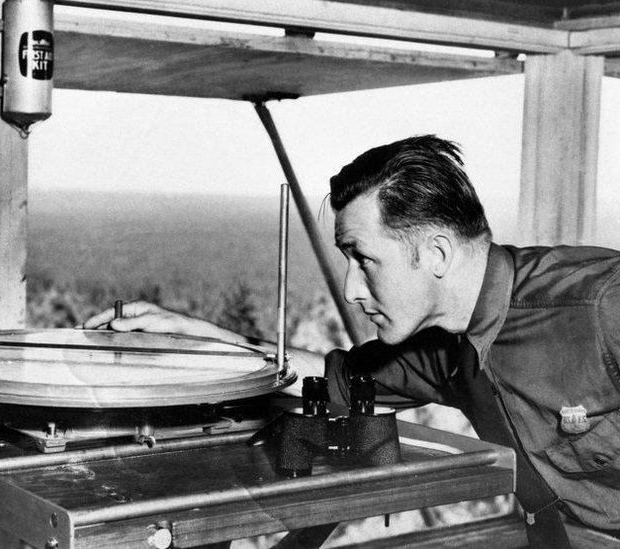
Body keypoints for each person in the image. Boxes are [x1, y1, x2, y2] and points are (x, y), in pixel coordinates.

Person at [82, 135, 620, 548]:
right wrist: (200, 339)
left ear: (434, 253)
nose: (351, 288)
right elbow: (327, 380)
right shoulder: (443, 344)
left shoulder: (600, 306)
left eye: (363, 259)